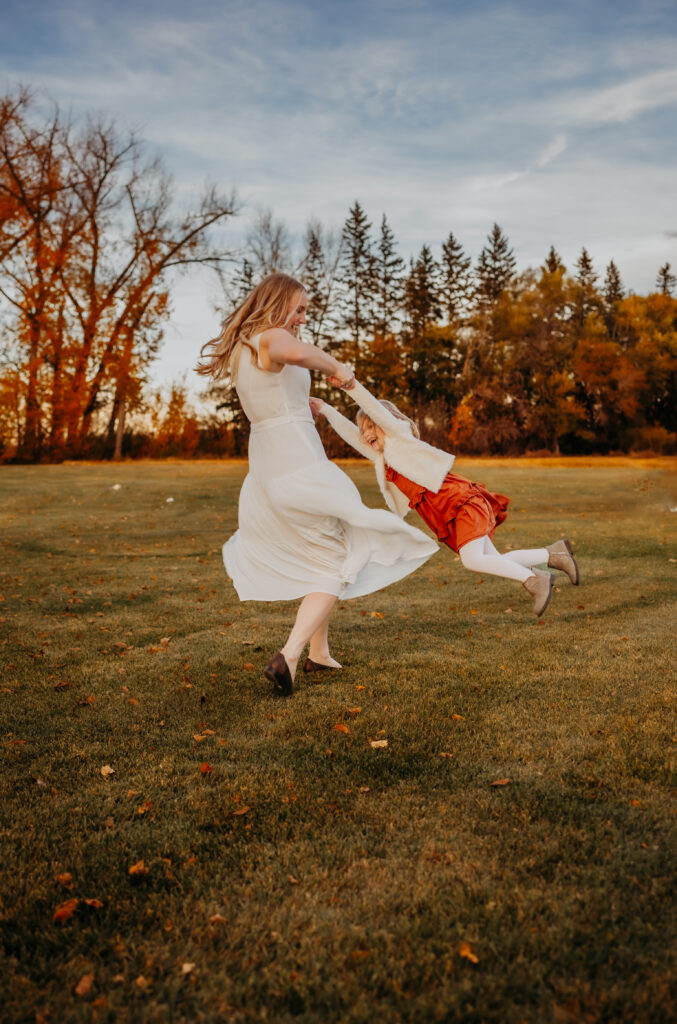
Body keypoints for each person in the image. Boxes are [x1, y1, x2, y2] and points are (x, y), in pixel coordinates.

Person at [197, 274, 438, 696]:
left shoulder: (244, 348)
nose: (302, 319)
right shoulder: (271, 337)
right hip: (296, 459)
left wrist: (302, 403)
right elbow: (301, 352)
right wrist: (338, 370)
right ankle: (287, 657)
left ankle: (319, 653)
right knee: (336, 559)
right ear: (278, 303)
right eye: (299, 309)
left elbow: (273, 390)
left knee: (324, 549)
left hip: (270, 458)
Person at [311, 381, 580, 616]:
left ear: (386, 423)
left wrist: (351, 386)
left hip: (458, 500)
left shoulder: (399, 438)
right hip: (445, 509)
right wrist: (324, 409)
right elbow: (350, 434)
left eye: (372, 425)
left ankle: (534, 581)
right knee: (493, 558)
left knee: (472, 559)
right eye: (364, 429)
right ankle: (553, 553)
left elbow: (376, 409)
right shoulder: (381, 458)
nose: (367, 433)